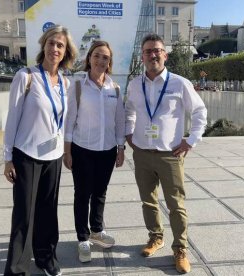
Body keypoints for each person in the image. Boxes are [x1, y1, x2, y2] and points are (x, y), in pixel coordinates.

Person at [125, 34, 207, 274]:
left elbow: (200, 111)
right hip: (142, 152)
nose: (153, 55)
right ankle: (155, 238)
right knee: (148, 200)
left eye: (157, 50)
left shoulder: (179, 83)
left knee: (176, 204)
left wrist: (191, 141)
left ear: (165, 54)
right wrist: (130, 135)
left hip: (170, 154)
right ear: (142, 57)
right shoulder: (134, 85)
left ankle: (180, 249)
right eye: (148, 51)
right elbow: (129, 111)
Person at [3, 25, 77, 276]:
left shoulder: (66, 83)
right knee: (24, 215)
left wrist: (66, 151)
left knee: (48, 212)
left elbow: (64, 122)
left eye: (60, 45)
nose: (55, 48)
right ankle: (16, 269)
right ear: (43, 45)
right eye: (51, 43)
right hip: (26, 156)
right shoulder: (26, 77)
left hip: (53, 157)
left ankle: (46, 258)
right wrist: (8, 158)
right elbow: (12, 119)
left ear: (66, 52)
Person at [63, 40, 125, 263]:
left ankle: (97, 231)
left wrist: (121, 148)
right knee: (82, 194)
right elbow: (70, 120)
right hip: (82, 149)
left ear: (109, 63)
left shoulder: (114, 88)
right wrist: (67, 151)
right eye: (97, 55)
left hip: (107, 150)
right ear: (89, 58)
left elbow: (119, 121)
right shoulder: (78, 85)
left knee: (100, 192)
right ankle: (83, 238)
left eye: (105, 57)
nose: (100, 60)